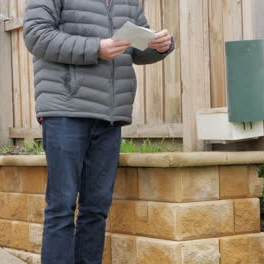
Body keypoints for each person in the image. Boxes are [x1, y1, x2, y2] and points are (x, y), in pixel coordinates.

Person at [23, 0, 174, 263]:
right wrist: (96, 48)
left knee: (96, 209)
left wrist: (160, 47)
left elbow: (137, 50)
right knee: (62, 207)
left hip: (109, 114)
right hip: (65, 109)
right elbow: (36, 35)